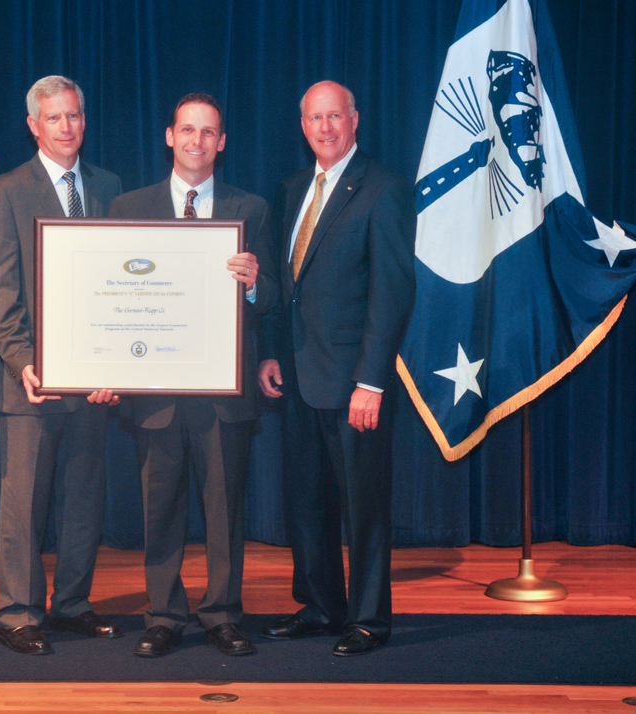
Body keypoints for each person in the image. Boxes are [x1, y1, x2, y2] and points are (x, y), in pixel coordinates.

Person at [109, 93, 277, 658]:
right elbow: (112, 298)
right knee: (160, 508)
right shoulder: (129, 208)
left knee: (225, 510)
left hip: (222, 393)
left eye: (208, 132)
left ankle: (224, 614)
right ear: (169, 135)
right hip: (154, 391)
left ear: (222, 142)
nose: (197, 141)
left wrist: (253, 281)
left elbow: (274, 296)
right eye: (187, 130)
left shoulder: (249, 208)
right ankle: (163, 615)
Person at [257, 81, 415, 656]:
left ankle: (369, 619)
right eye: (314, 118)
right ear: (303, 126)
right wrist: (272, 353)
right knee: (306, 501)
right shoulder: (293, 187)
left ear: (355, 120)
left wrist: (371, 381)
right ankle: (322, 606)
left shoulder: (384, 190)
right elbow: (286, 287)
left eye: (335, 116)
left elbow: (392, 295)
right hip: (298, 379)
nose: (325, 127)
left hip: (355, 385)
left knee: (363, 507)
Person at [0, 75, 122, 655]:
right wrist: (20, 360)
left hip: (93, 384)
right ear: (34, 126)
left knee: (84, 496)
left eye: (75, 116)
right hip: (31, 384)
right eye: (55, 118)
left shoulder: (111, 187)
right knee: (24, 504)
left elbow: (119, 284)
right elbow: (0, 288)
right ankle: (17, 612)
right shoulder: (7, 191)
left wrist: (116, 363)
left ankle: (72, 604)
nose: (68, 127)